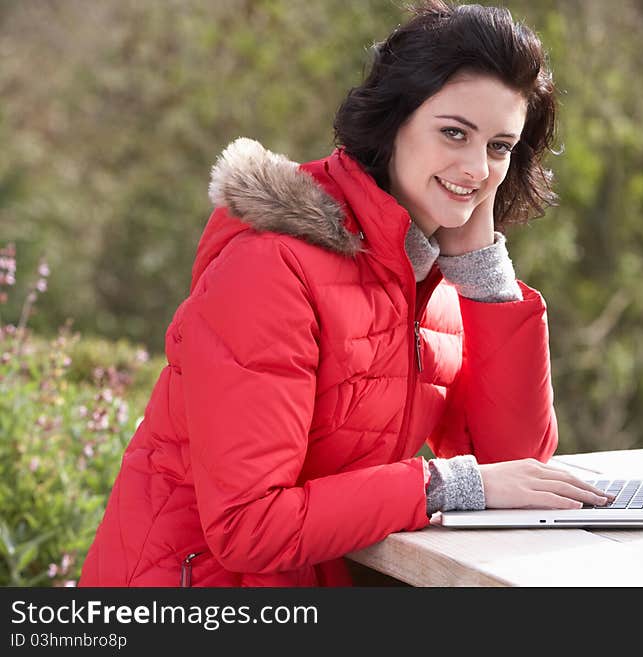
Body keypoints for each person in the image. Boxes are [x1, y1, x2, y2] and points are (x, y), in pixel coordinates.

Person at [78, 0, 613, 588]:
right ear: (394, 120)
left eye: (499, 147)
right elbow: (248, 526)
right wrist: (448, 487)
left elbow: (515, 466)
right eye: (454, 133)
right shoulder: (272, 267)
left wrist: (484, 273)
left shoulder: (429, 281)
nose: (477, 169)